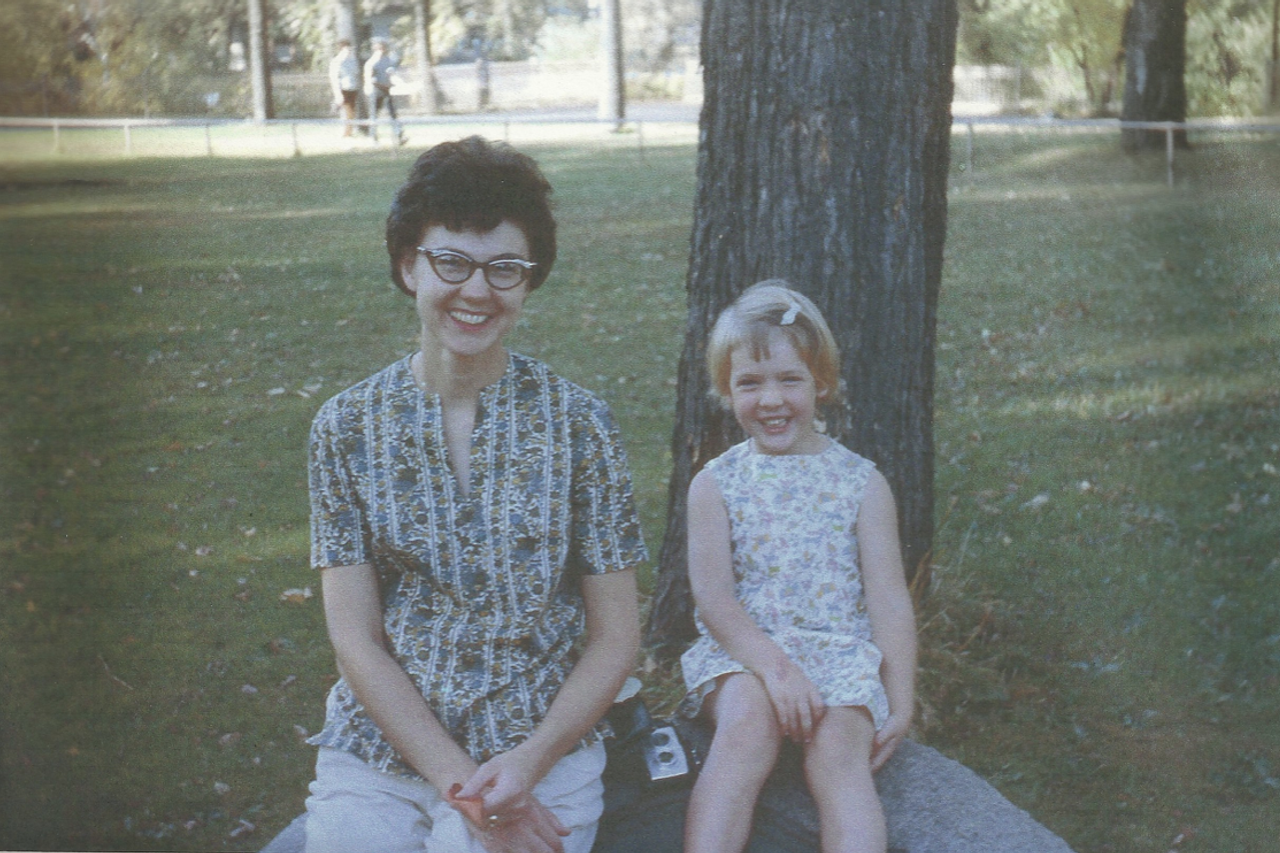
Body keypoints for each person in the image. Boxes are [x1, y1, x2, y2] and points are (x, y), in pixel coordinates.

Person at [301, 136, 647, 853]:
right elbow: (356, 640)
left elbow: (616, 636)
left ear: (530, 279)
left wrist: (525, 767)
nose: (477, 290)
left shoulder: (582, 423)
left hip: (539, 748)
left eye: (505, 269)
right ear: (407, 266)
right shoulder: (345, 426)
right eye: (450, 262)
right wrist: (462, 785)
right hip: (385, 749)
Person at [679, 282, 917, 853]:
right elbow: (715, 602)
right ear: (725, 390)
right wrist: (776, 670)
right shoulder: (715, 483)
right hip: (746, 656)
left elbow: (888, 599)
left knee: (839, 756)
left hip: (838, 654)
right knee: (746, 730)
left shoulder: (861, 483)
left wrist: (901, 699)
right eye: (750, 383)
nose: (771, 400)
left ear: (821, 382)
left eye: (790, 380)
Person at [364, 39, 406, 145]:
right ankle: (373, 138)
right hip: (375, 92)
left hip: (386, 91)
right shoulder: (371, 63)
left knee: (393, 114)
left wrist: (392, 84)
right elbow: (371, 79)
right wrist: (383, 86)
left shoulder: (387, 60)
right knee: (374, 115)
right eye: (379, 49)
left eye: (383, 49)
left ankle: (399, 135)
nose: (382, 51)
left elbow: (391, 74)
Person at [328, 39, 360, 138]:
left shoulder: (353, 61)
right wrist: (338, 94)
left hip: (353, 88)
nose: (348, 50)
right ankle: (345, 133)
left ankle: (348, 132)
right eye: (345, 47)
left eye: (349, 47)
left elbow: (356, 73)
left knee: (351, 112)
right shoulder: (337, 61)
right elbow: (334, 78)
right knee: (346, 112)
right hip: (343, 89)